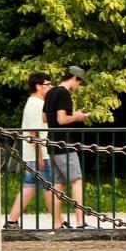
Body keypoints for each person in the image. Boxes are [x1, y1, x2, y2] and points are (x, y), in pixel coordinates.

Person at [5, 73, 53, 229]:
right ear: (38, 86)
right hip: (38, 154)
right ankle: (58, 222)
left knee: (29, 187)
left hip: (33, 154)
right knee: (49, 187)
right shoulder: (35, 104)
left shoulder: (36, 103)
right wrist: (40, 156)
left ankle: (12, 221)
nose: (50, 87)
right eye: (48, 84)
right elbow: (34, 133)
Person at [45, 66, 90, 228]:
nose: (79, 86)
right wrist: (77, 117)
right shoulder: (64, 93)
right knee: (76, 180)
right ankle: (80, 222)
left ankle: (57, 223)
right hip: (64, 143)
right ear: (73, 78)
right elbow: (62, 120)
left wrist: (72, 115)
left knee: (59, 185)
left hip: (52, 142)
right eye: (79, 82)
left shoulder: (50, 92)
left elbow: (45, 118)